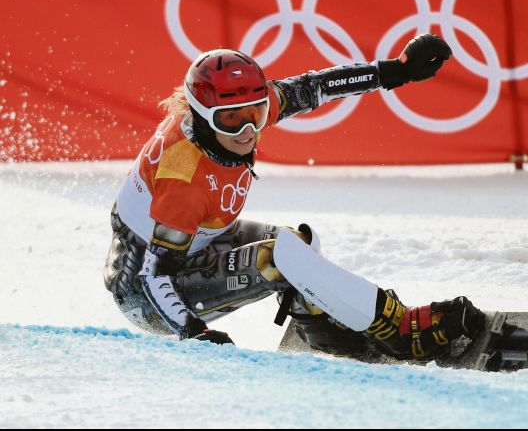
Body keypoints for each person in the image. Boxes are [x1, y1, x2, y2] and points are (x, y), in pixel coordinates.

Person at [103, 33, 486, 361]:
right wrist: (194, 333)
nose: (248, 130)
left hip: (194, 246)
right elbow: (154, 275)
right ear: (202, 116)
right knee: (279, 258)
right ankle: (399, 328)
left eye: (257, 111)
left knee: (300, 244)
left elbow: (315, 86)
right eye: (231, 120)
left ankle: (325, 333)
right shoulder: (183, 180)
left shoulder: (229, 119)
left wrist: (395, 71)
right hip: (148, 296)